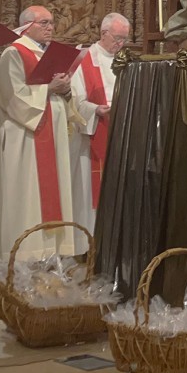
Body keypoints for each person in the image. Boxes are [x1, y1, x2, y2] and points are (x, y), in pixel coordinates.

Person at [0, 6, 77, 258]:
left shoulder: (48, 54)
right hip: (26, 136)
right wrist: (49, 89)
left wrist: (66, 90)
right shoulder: (13, 53)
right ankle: (27, 252)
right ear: (27, 25)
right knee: (27, 195)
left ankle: (52, 252)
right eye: (44, 23)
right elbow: (11, 97)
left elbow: (63, 95)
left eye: (52, 22)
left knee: (53, 190)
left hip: (52, 132)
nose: (51, 27)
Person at [69, 13, 130, 246]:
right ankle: (87, 243)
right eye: (117, 38)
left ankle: (112, 241)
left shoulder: (125, 60)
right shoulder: (84, 58)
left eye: (124, 39)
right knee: (88, 191)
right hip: (91, 138)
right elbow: (74, 99)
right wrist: (95, 110)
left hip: (119, 134)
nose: (121, 44)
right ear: (104, 33)